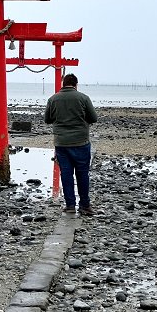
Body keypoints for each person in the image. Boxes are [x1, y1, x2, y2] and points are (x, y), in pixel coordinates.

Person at [44, 73, 99, 215]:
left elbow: (47, 119)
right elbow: (93, 118)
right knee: (82, 174)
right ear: (76, 84)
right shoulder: (83, 98)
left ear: (63, 83)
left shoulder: (53, 99)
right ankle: (85, 205)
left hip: (62, 143)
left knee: (66, 174)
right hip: (81, 141)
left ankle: (70, 205)